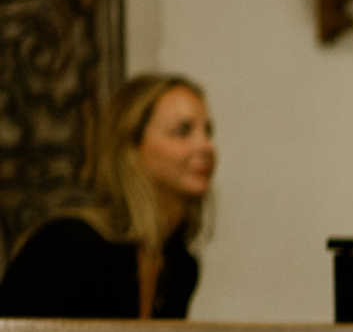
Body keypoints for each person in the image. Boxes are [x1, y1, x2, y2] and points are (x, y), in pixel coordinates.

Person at [0, 74, 216, 319]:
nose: (206, 146)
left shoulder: (180, 266)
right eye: (183, 131)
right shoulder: (70, 244)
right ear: (132, 148)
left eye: (208, 131)